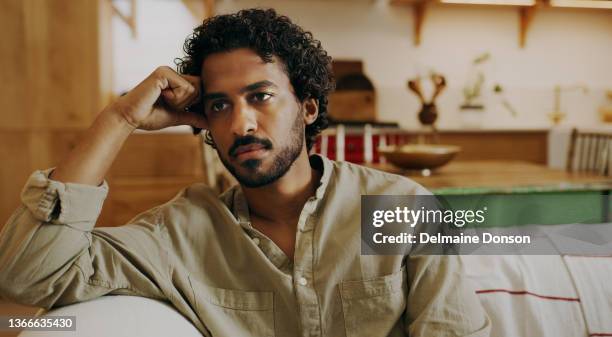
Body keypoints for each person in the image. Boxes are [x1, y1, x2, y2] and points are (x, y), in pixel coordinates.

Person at [0, 8, 490, 337]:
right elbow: (27, 277)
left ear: (309, 107)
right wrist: (119, 119)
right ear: (203, 121)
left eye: (261, 96)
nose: (241, 123)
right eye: (219, 105)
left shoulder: (402, 209)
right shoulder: (181, 233)